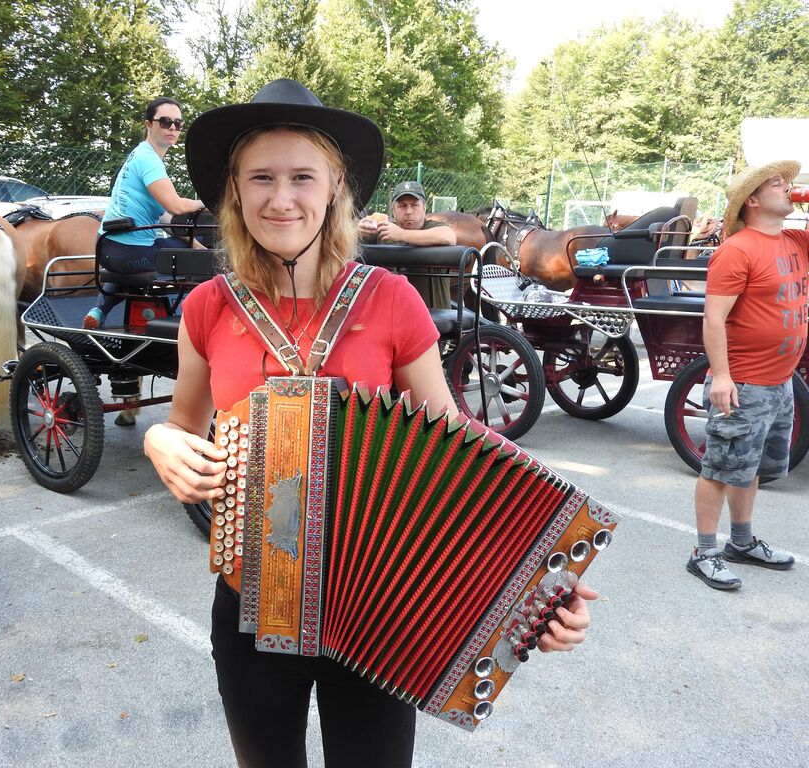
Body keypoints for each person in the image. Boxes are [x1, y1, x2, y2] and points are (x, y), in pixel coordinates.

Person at [143, 79, 598, 767]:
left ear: (335, 188)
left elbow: (459, 453)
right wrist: (159, 440)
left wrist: (544, 589)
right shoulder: (208, 307)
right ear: (234, 190)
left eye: (303, 176)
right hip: (250, 605)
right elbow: (182, 422)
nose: (282, 197)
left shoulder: (390, 299)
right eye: (261, 177)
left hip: (381, 614)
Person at [686, 160, 808, 591]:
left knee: (748, 467)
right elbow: (713, 319)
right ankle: (703, 553)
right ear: (752, 201)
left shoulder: (795, 241)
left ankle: (741, 542)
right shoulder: (737, 250)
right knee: (720, 469)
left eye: (789, 183)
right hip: (743, 384)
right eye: (778, 184)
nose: (788, 188)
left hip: (781, 381)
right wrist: (722, 377)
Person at [82, 96, 205, 330]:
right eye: (165, 121)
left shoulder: (139, 155)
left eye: (178, 123)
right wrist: (208, 203)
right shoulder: (149, 161)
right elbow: (176, 207)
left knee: (194, 249)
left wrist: (196, 245)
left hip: (108, 249)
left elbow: (166, 219)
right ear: (148, 124)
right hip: (131, 253)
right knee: (204, 261)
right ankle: (194, 315)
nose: (172, 128)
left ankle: (99, 311)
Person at [358, 181, 457, 308]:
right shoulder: (383, 229)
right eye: (402, 206)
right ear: (393, 210)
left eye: (414, 205)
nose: (409, 211)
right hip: (391, 314)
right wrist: (358, 231)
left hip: (432, 315)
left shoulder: (433, 227)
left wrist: (401, 234)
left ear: (424, 208)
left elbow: (448, 236)